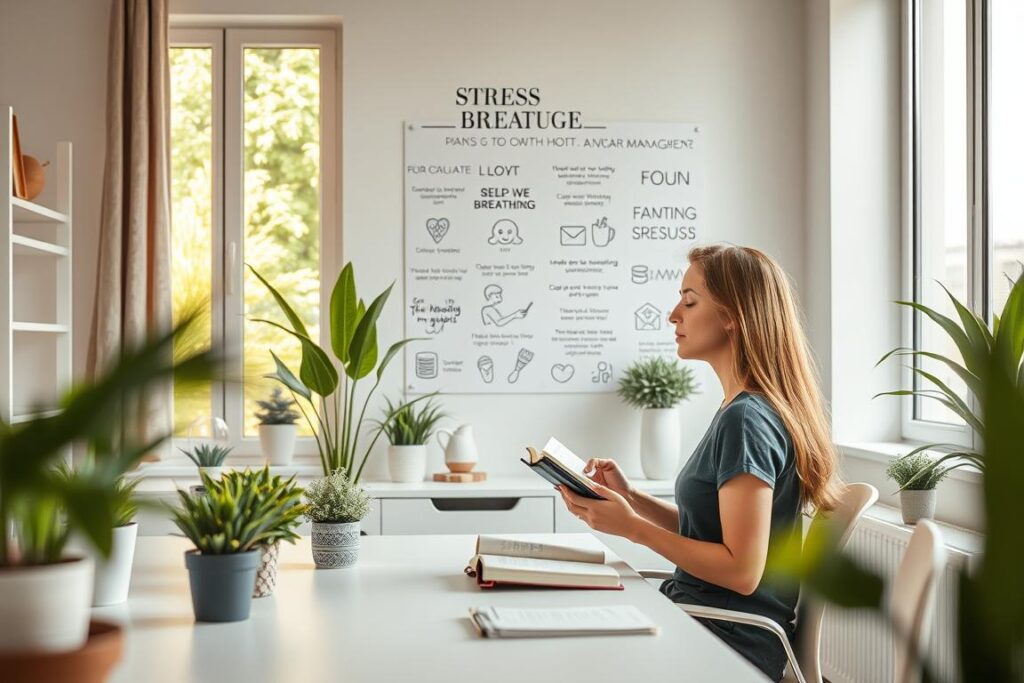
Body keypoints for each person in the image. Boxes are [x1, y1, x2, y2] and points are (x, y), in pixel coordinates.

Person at [557, 244, 841, 681]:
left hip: (725, 640)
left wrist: (632, 528)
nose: (674, 314)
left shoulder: (747, 419)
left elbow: (742, 571)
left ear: (732, 316)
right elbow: (711, 534)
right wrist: (632, 499)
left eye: (690, 301)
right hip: (705, 621)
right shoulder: (740, 410)